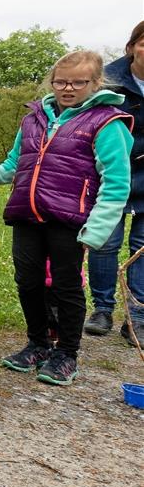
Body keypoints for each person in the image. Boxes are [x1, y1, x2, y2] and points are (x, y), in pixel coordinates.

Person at [0, 50, 131, 385]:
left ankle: (67, 353)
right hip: (27, 214)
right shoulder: (34, 119)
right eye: (61, 81)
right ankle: (38, 343)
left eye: (79, 82)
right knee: (28, 282)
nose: (68, 88)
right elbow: (13, 165)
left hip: (70, 220)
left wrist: (96, 231)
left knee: (67, 288)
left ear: (96, 83)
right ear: (52, 82)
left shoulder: (108, 123)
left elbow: (116, 182)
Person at [83, 20, 144, 346]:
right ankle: (102, 310)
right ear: (132, 46)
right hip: (112, 170)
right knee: (105, 241)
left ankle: (137, 317)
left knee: (143, 246)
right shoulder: (109, 81)